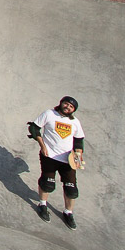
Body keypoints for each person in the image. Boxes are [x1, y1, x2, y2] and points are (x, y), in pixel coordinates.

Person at [27, 96, 85, 230]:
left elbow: (78, 141)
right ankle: (42, 204)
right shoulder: (49, 114)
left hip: (67, 160)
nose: (68, 107)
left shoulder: (75, 122)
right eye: (66, 104)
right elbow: (34, 128)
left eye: (71, 107)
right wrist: (42, 145)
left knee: (72, 189)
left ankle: (68, 213)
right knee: (47, 183)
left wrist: (78, 156)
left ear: (73, 110)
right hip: (49, 156)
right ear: (61, 103)